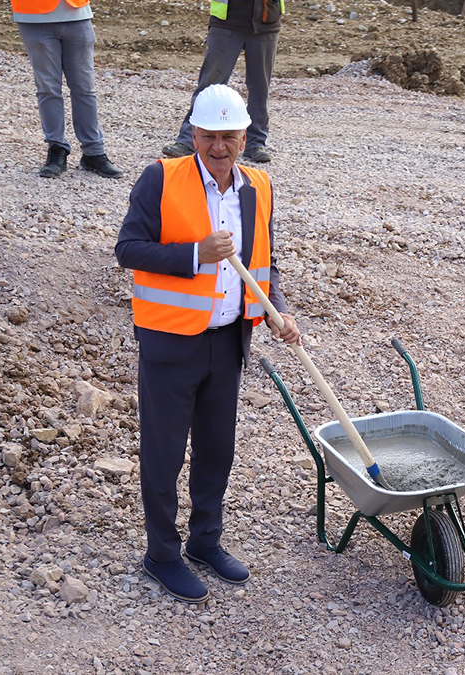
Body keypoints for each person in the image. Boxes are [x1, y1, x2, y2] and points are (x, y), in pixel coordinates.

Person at [116, 84, 299, 602]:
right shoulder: (161, 177)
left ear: (245, 136)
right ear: (192, 133)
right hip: (170, 342)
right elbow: (127, 248)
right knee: (164, 453)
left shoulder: (258, 187)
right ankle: (162, 555)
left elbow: (265, 263)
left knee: (217, 451)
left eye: (229, 136)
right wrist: (196, 253)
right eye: (209, 135)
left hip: (227, 341)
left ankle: (204, 542)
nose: (219, 147)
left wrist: (277, 307)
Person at [161, 0, 284, 164]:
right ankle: (188, 140)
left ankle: (255, 144)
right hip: (227, 21)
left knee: (260, 89)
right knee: (208, 87)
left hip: (266, 21)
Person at [12, 0, 122, 179]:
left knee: (85, 88)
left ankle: (93, 152)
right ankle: (57, 149)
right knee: (48, 89)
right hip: (33, 15)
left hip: (77, 12)